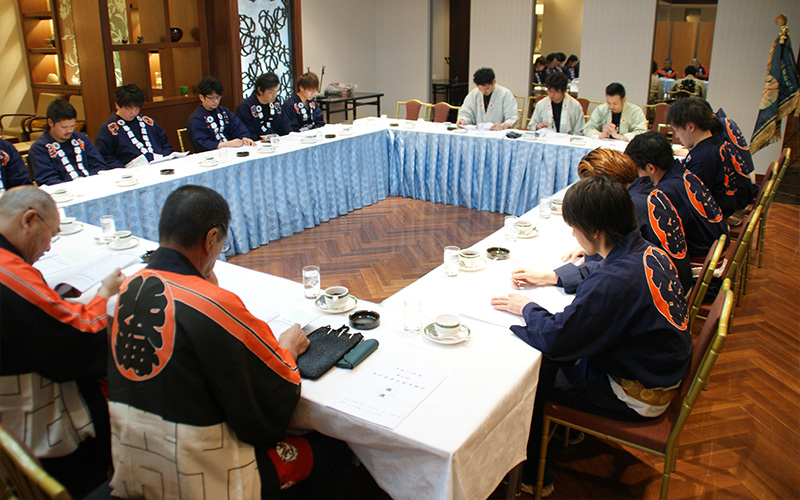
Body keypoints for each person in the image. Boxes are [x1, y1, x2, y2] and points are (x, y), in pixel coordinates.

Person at [107, 185, 348, 499]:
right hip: (202, 481)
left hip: (132, 465)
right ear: (211, 239)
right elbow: (276, 390)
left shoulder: (124, 290)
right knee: (335, 449)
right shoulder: (214, 304)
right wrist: (287, 348)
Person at [491, 175, 691, 497]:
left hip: (634, 393)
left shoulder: (615, 282)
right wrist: (553, 277)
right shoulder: (645, 250)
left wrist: (526, 308)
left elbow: (559, 338)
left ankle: (532, 476)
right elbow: (597, 269)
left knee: (534, 373)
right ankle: (564, 435)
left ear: (594, 231)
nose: (573, 234)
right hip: (660, 371)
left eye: (574, 227)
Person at [0, 186, 125, 497]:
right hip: (37, 432)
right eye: (51, 234)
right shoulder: (8, 270)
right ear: (29, 220)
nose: (47, 248)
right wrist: (104, 295)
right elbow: (75, 336)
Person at [626, 131, 729, 261]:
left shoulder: (665, 191)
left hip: (700, 259)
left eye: (636, 170)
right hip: (717, 245)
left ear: (651, 168)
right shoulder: (683, 173)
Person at [667, 97, 757, 219]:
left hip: (716, 217)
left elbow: (688, 200)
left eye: (676, 130)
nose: (677, 136)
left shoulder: (703, 158)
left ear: (691, 127)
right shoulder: (715, 142)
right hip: (726, 206)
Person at [95, 83, 175, 169]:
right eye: (129, 108)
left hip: (160, 166)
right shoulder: (107, 129)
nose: (133, 112)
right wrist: (124, 170)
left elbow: (165, 144)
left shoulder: (148, 122)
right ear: (117, 105)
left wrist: (165, 158)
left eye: (137, 108)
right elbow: (105, 157)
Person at [28, 99, 107, 185]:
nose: (69, 131)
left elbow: (99, 165)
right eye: (64, 127)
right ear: (50, 122)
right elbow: (48, 180)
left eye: (72, 126)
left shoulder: (81, 139)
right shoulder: (39, 148)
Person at [186, 76, 256, 152]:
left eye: (218, 97)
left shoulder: (224, 111)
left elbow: (238, 127)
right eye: (211, 98)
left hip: (232, 152)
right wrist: (226, 144)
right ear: (201, 97)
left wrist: (244, 138)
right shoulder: (196, 118)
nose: (215, 101)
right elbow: (201, 143)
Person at [583, 82, 647, 141]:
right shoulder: (601, 109)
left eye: (615, 103)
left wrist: (620, 137)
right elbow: (588, 129)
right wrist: (601, 134)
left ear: (624, 100)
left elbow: (642, 133)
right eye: (608, 103)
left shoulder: (635, 111)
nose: (611, 106)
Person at [237, 72, 291, 140]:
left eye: (276, 92)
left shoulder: (276, 103)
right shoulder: (245, 106)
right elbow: (248, 134)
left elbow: (285, 126)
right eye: (271, 92)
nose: (274, 96)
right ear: (260, 90)